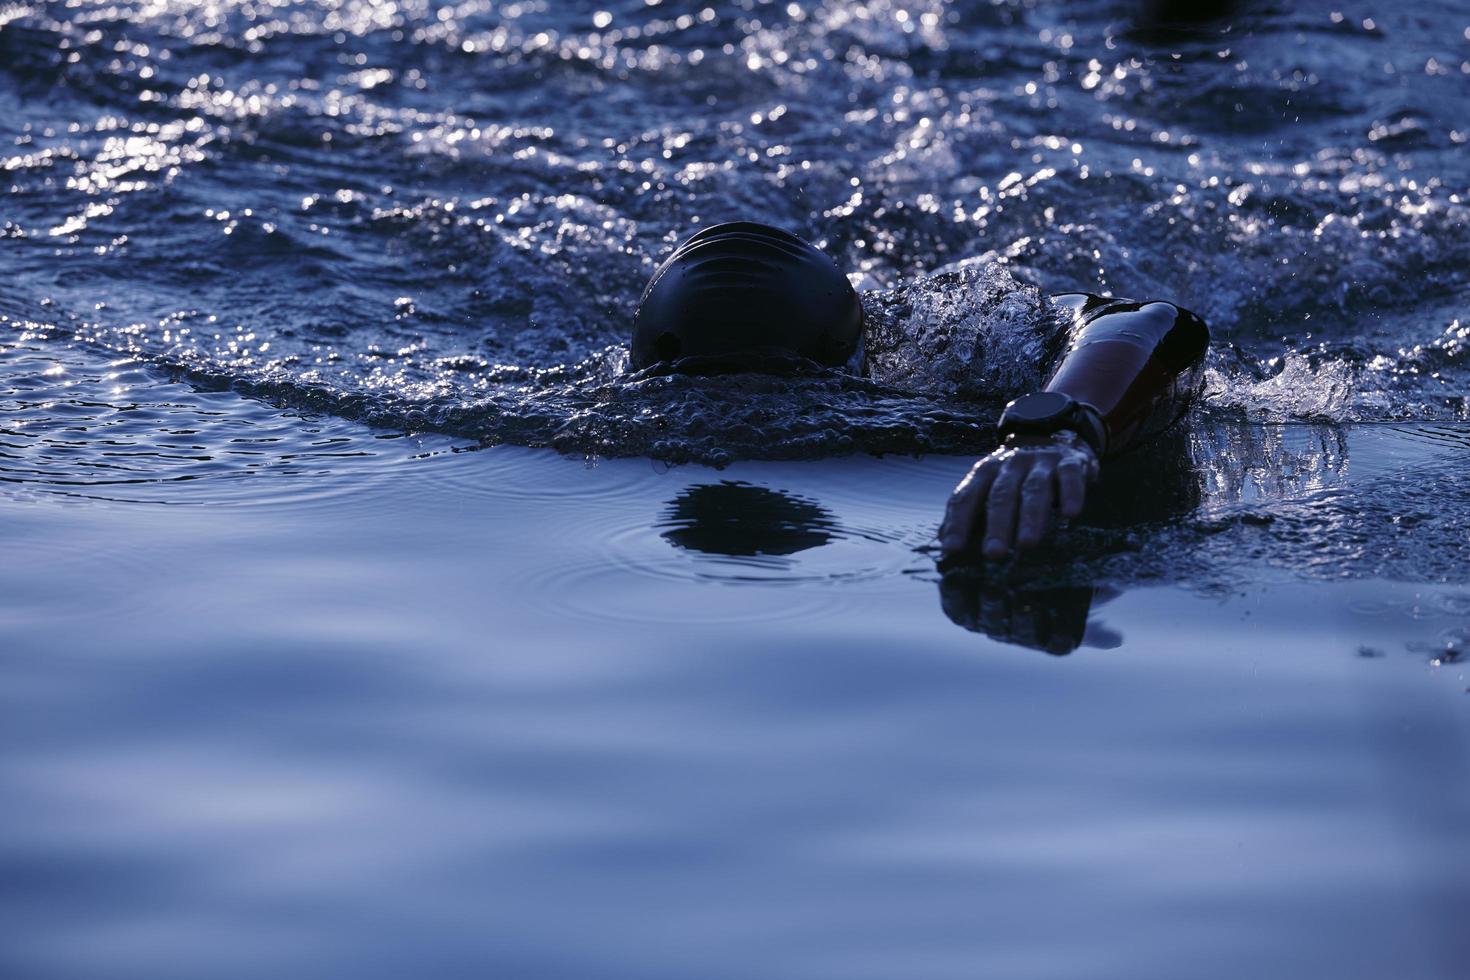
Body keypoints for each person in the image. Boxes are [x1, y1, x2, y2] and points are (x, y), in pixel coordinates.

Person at [630, 221, 1209, 560]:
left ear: (859, 365)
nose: (742, 425)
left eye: (781, 396)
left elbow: (1144, 321)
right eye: (703, 400)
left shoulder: (957, 341)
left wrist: (1058, 426)